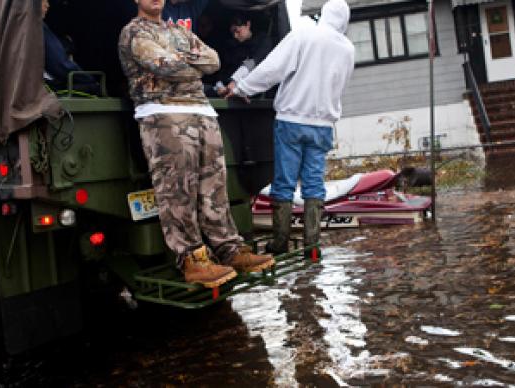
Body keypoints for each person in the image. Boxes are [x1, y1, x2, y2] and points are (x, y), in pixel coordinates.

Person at [118, 0, 275, 288]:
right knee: (177, 188)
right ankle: (192, 259)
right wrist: (192, 64)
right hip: (163, 113)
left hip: (201, 111)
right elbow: (162, 65)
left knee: (214, 185)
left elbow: (213, 60)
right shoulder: (133, 33)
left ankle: (230, 249)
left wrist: (183, 60)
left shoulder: (179, 31)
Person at [226, 0, 355, 256]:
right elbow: (340, 85)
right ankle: (313, 245)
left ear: (323, 14)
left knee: (284, 182)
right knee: (314, 184)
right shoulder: (347, 49)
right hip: (323, 125)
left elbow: (272, 68)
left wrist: (242, 88)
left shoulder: (304, 35)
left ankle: (280, 242)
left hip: (292, 120)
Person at [41, 0, 99, 95]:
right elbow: (60, 64)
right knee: (93, 87)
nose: (47, 5)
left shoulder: (14, 24)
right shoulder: (38, 27)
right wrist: (88, 78)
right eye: (44, 0)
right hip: (46, 86)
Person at [216, 14, 272, 96]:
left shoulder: (263, 41)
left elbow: (253, 62)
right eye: (233, 33)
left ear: (248, 25)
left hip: (253, 91)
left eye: (237, 31)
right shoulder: (232, 45)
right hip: (228, 89)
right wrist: (220, 86)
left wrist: (234, 81)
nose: (235, 36)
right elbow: (223, 71)